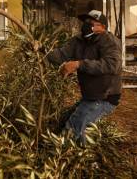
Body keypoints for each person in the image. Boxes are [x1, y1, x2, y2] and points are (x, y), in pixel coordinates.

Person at [47, 9, 122, 145]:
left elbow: (112, 65)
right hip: (90, 96)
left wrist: (78, 64)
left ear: (103, 27)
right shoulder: (78, 40)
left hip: (105, 97)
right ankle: (81, 154)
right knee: (70, 122)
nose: (88, 25)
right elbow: (61, 55)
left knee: (72, 128)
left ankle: (58, 156)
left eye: (93, 23)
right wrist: (41, 50)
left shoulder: (108, 41)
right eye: (86, 22)